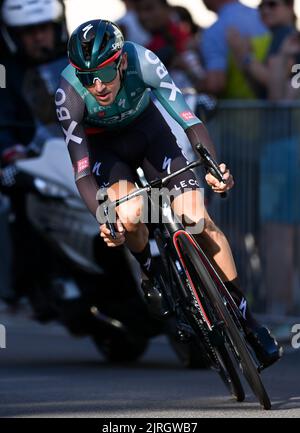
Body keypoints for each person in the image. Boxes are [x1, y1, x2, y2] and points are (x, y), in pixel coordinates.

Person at [56, 19, 282, 368]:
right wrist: (106, 221)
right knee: (130, 216)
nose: (97, 86)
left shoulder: (143, 60)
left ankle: (250, 325)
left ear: (122, 62)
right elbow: (82, 172)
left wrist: (213, 167)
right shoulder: (68, 94)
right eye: (88, 78)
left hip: (150, 132)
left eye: (103, 73)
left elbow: (189, 121)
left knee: (199, 222)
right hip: (106, 150)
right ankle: (151, 271)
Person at [0, 0, 68, 165]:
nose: (38, 37)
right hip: (36, 166)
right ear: (14, 36)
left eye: (44, 28)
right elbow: (2, 120)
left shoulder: (76, 61)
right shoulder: (3, 72)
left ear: (57, 28)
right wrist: (12, 152)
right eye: (28, 31)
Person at [227, 0, 299, 99]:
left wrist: (246, 57)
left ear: (290, 6)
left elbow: (273, 83)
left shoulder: (287, 37)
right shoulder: (278, 36)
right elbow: (262, 91)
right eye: (261, 6)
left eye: (272, 4)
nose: (265, 10)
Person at [199, 0, 269, 98]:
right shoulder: (267, 17)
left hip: (237, 109)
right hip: (273, 107)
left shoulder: (214, 31)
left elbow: (216, 84)